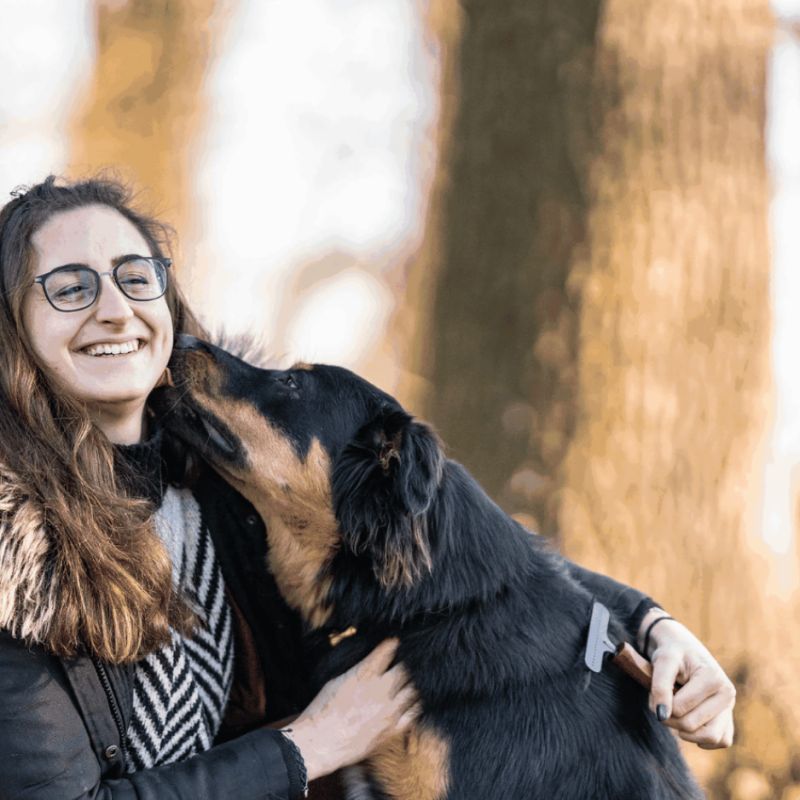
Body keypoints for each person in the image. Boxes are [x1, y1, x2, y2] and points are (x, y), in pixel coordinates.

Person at [0, 176, 735, 799]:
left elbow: (475, 570)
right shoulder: (15, 559)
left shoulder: (234, 485)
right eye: (69, 288)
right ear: (14, 325)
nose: (114, 308)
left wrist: (653, 627)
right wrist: (307, 745)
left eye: (136, 277)